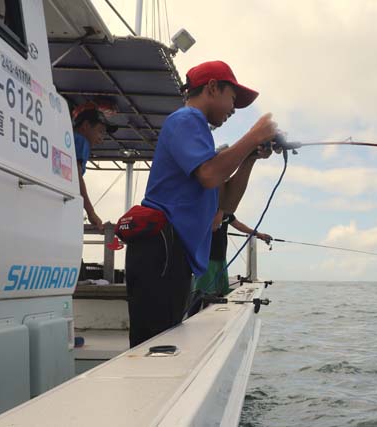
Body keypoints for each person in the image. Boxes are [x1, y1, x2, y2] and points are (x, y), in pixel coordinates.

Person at [124, 60, 278, 347]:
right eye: (233, 98)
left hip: (174, 257)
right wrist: (253, 135)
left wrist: (249, 158)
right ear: (211, 87)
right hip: (161, 251)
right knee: (152, 347)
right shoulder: (185, 120)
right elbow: (209, 175)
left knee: (161, 343)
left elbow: (227, 202)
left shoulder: (202, 140)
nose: (234, 108)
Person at [192, 209, 272, 304]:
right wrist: (221, 208)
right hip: (207, 257)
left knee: (219, 291)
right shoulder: (209, 207)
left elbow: (238, 225)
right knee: (200, 293)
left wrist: (258, 234)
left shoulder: (226, 211)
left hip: (221, 257)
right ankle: (191, 316)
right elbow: (214, 226)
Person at [73, 103, 118, 231]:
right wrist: (91, 212)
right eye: (100, 131)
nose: (101, 139)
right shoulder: (81, 141)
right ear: (86, 126)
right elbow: (76, 175)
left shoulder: (70, 138)